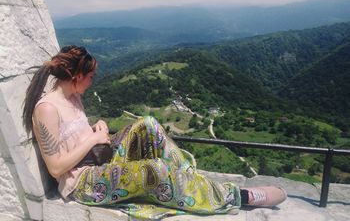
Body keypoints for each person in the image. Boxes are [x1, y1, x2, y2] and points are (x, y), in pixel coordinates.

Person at [22, 45, 287, 220]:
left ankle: (187, 180)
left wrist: (96, 128)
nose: (92, 82)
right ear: (77, 75)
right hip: (83, 182)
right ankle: (236, 196)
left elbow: (74, 137)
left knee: (147, 124)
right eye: (90, 77)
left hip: (97, 160)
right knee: (155, 171)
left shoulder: (73, 96)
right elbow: (57, 168)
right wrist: (93, 138)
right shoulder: (47, 108)